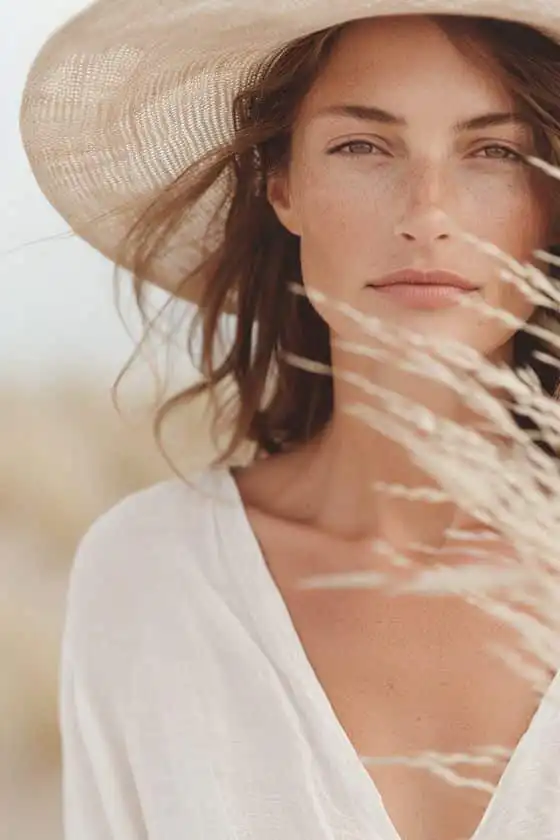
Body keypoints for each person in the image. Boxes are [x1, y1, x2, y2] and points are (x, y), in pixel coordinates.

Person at [19, 2, 560, 839]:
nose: (427, 211)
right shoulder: (150, 579)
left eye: (494, 151)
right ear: (282, 186)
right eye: (363, 146)